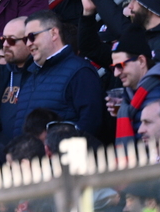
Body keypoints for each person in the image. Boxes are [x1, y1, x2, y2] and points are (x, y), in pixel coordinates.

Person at [13, 9, 105, 139]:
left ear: (53, 33)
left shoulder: (80, 72)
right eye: (25, 39)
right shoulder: (29, 74)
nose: (28, 44)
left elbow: (91, 124)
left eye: (32, 36)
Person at [107, 29, 160, 144]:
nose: (116, 73)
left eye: (120, 66)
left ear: (141, 61)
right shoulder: (127, 99)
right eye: (113, 68)